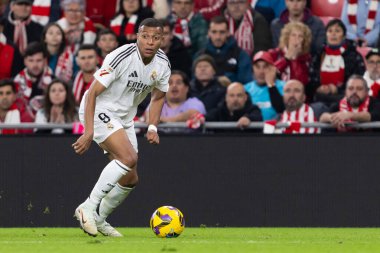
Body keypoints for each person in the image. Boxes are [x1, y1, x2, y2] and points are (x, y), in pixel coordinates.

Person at [72, 18, 171, 237]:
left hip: (124, 118)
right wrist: (88, 131)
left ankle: (99, 219)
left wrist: (153, 126)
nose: (150, 42)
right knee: (128, 158)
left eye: (156, 38)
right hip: (99, 108)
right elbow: (93, 94)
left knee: (130, 178)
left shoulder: (163, 64)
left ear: (162, 40)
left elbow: (158, 98)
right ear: (137, 36)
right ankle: (88, 207)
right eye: (145, 36)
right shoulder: (120, 56)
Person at [309, 19, 366, 106]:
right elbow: (311, 76)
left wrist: (338, 88)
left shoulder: (354, 55)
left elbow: (359, 79)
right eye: (330, 31)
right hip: (319, 97)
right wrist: (318, 88)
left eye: (337, 31)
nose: (333, 34)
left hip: (346, 97)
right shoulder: (319, 54)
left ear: (344, 36)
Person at [195, 15, 253, 85]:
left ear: (228, 33)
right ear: (208, 33)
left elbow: (247, 83)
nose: (218, 37)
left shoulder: (240, 55)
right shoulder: (200, 55)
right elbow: (195, 83)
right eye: (214, 32)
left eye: (222, 32)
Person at [14, 42, 53, 118]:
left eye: (39, 60)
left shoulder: (53, 81)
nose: (35, 65)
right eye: (31, 60)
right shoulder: (16, 82)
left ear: (45, 61)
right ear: (25, 61)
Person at [268, 22, 311, 90]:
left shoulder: (306, 58)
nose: (296, 39)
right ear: (287, 37)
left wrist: (295, 58)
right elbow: (270, 75)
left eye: (300, 36)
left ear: (304, 40)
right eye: (293, 35)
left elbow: (302, 82)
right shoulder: (274, 54)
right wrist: (286, 58)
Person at [244, 51, 285, 120]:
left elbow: (281, 109)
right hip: (252, 129)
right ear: (253, 69)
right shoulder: (245, 89)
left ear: (272, 69)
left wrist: (271, 84)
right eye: (257, 67)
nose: (261, 72)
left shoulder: (284, 86)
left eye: (265, 66)